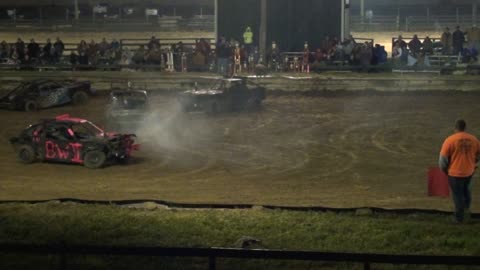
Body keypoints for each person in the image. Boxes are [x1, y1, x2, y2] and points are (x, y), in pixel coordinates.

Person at [439, 119, 480, 223]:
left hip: (454, 173)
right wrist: (475, 164)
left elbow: (443, 160)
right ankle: (467, 210)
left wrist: (445, 170)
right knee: (467, 191)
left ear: (455, 128)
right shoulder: (474, 139)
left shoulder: (450, 140)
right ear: (465, 128)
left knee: (457, 196)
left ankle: (459, 219)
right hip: (469, 172)